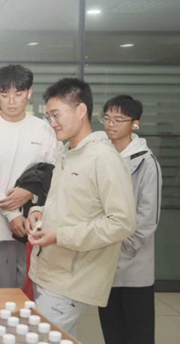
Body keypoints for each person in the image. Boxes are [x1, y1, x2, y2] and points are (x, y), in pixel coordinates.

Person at [25, 78, 136, 337]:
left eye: (56, 115)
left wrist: (59, 236)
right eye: (48, 116)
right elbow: (66, 204)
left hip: (72, 279)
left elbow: (122, 222)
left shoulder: (104, 159)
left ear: (81, 110)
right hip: (50, 270)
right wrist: (37, 212)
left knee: (36, 337)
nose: (52, 123)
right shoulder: (67, 153)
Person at [0, 65, 58, 288]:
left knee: (34, 294)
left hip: (36, 225)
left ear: (29, 93)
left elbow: (53, 172)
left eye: (18, 94)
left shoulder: (44, 129)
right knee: (0, 295)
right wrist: (12, 215)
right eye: (4, 94)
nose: (11, 101)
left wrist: (30, 193)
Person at [98, 95, 162, 344]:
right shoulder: (100, 155)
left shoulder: (146, 162)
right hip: (103, 259)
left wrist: (123, 245)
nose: (110, 125)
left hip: (133, 261)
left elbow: (148, 216)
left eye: (118, 119)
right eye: (107, 118)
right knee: (112, 330)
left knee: (137, 333)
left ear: (135, 124)